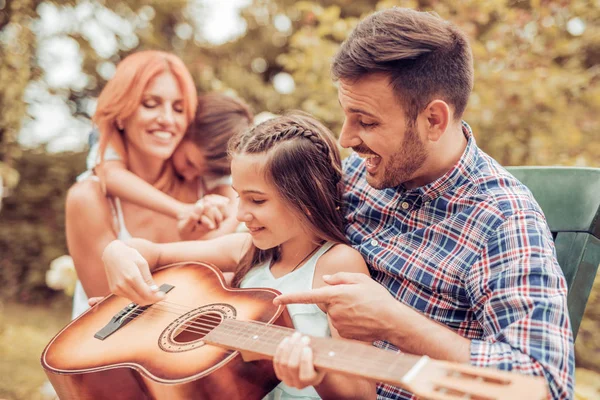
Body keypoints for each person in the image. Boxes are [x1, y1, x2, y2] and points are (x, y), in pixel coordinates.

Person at [271, 8, 574, 400]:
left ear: (433, 120)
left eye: (366, 122)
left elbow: (545, 385)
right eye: (347, 117)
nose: (345, 139)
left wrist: (396, 324)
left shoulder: (502, 219)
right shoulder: (358, 177)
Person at [100, 113, 376, 400]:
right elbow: (153, 253)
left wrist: (318, 372)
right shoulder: (248, 250)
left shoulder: (337, 264)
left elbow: (362, 393)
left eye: (257, 200)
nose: (241, 214)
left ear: (307, 198)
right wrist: (116, 251)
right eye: (238, 196)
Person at [66, 52, 246, 317]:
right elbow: (110, 312)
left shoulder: (207, 186)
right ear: (120, 113)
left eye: (179, 109)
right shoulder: (89, 197)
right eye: (150, 104)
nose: (167, 119)